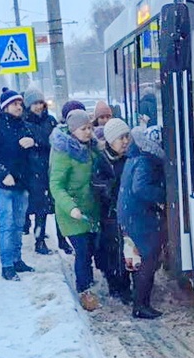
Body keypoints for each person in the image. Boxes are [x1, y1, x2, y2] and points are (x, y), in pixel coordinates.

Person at [0, 89, 36, 281]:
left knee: (19, 224)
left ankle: (17, 259)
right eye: (14, 104)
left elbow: (31, 155)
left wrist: (32, 144)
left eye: (20, 103)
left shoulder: (25, 126)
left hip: (21, 183)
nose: (19, 107)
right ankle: (7, 265)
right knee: (6, 224)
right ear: (5, 106)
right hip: (1, 185)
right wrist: (2, 174)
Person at [49, 109, 102, 311]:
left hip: (90, 209)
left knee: (91, 248)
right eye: (83, 128)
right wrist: (70, 207)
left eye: (90, 127)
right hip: (71, 212)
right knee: (82, 251)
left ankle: (88, 279)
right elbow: (56, 185)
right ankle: (84, 290)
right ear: (72, 131)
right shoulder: (64, 153)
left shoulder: (91, 149)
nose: (88, 132)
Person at [118, 125, 166, 319]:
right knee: (147, 258)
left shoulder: (136, 156)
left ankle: (141, 303)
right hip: (138, 216)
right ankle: (141, 305)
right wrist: (165, 195)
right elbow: (140, 188)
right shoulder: (145, 160)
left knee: (141, 259)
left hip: (132, 214)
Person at [23, 87, 69, 255]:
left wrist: (36, 142)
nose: (38, 106)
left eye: (40, 102)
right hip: (35, 170)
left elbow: (55, 140)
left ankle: (63, 239)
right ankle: (39, 240)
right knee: (40, 208)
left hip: (53, 167)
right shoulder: (24, 122)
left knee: (59, 206)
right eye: (34, 103)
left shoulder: (49, 120)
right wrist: (41, 143)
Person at [91, 118, 132, 303]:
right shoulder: (102, 161)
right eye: (120, 138)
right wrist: (114, 189)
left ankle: (128, 282)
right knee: (114, 250)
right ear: (109, 140)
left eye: (126, 137)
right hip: (110, 214)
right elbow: (98, 186)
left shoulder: (129, 158)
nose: (124, 141)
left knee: (130, 248)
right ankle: (117, 285)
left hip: (128, 211)